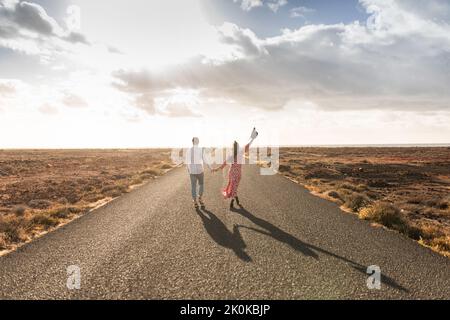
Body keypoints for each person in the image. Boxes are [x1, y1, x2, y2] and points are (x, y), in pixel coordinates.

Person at [212, 128, 258, 209]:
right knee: (234, 187)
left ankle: (236, 199)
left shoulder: (231, 156)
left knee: (233, 187)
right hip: (237, 174)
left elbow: (223, 165)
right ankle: (232, 202)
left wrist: (215, 169)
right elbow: (248, 144)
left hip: (231, 173)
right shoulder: (240, 153)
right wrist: (252, 138)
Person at [186, 137, 211, 209]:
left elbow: (187, 162)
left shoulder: (189, 150)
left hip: (192, 172)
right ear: (198, 142)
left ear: (192, 142)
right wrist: (210, 168)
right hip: (200, 171)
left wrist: (189, 170)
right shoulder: (201, 150)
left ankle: (195, 202)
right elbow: (205, 160)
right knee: (201, 184)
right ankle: (200, 198)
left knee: (193, 186)